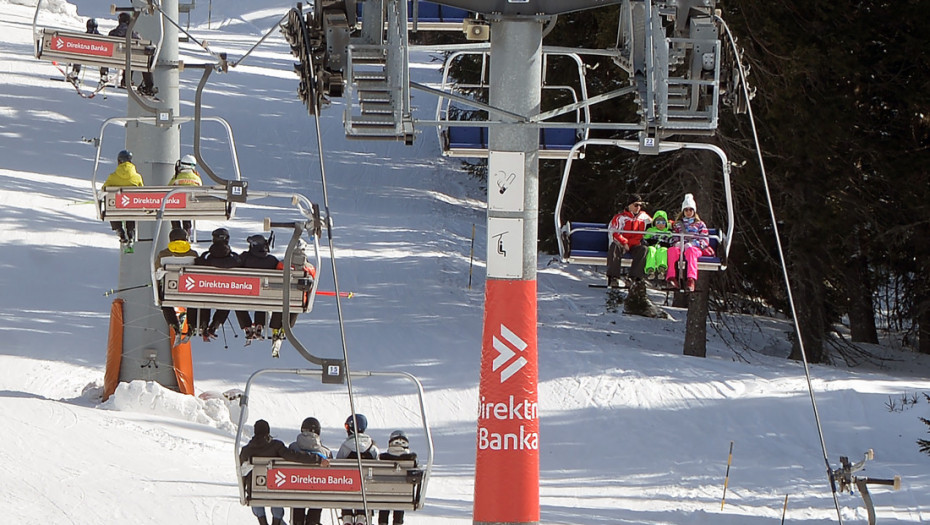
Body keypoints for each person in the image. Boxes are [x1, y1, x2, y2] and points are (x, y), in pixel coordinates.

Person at [240, 419, 330, 525]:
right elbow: (295, 457)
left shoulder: (246, 450)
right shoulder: (276, 446)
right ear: (268, 432)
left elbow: (241, 471)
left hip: (255, 492)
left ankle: (262, 521)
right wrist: (317, 459)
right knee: (275, 494)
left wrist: (245, 489)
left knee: (256, 494)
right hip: (275, 489)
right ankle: (276, 522)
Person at [155, 228, 202, 343]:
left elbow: (157, 272)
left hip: (169, 291)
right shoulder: (193, 254)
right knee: (193, 302)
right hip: (189, 290)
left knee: (165, 304)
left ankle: (174, 325)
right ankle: (191, 325)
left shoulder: (163, 254)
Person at [196, 228, 242, 341]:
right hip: (225, 290)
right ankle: (214, 325)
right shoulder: (233, 258)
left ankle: (203, 325)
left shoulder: (206, 257)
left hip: (206, 288)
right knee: (228, 300)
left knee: (203, 299)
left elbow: (197, 264)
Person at [233, 234, 279, 342]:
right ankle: (260, 324)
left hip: (245, 293)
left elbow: (234, 264)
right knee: (262, 294)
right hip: (264, 297)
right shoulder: (271, 260)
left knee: (236, 298)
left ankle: (246, 325)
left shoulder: (244, 258)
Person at [288, 417, 332, 525]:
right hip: (317, 489)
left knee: (297, 497)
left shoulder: (292, 447)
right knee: (318, 495)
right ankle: (313, 521)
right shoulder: (325, 452)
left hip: (296, 486)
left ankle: (297, 521)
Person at [665, 193, 713, 292]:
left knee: (691, 251)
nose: (688, 212)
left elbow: (705, 239)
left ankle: (691, 279)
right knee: (672, 251)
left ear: (694, 211)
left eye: (690, 210)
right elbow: (673, 236)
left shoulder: (699, 224)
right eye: (686, 210)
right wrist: (677, 243)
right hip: (681, 247)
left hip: (694, 248)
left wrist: (694, 244)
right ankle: (671, 277)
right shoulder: (678, 224)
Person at [337, 414, 379, 525]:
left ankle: (347, 515)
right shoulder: (372, 447)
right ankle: (362, 515)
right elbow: (378, 466)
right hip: (366, 490)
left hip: (348, 488)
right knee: (365, 486)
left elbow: (338, 466)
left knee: (345, 484)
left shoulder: (345, 446)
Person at [605, 194, 652, 288]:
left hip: (635, 244)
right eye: (636, 205)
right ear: (629, 205)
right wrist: (624, 242)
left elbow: (657, 222)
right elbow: (614, 231)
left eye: (640, 205)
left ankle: (633, 278)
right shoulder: (620, 217)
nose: (638, 208)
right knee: (615, 247)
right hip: (623, 243)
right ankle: (613, 277)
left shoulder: (643, 217)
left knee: (644, 249)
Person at [108, 12, 156, 96]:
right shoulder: (133, 34)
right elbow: (140, 42)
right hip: (130, 60)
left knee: (129, 56)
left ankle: (126, 80)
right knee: (138, 57)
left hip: (114, 59)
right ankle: (148, 86)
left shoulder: (112, 33)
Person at [101, 149, 143, 245]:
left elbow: (104, 189)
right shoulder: (137, 177)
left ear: (119, 161)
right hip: (132, 208)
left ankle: (119, 230)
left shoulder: (113, 177)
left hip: (116, 208)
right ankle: (131, 232)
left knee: (112, 207)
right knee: (131, 208)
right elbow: (141, 191)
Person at [377, 430, 418, 525]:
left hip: (382, 494)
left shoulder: (383, 458)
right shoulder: (411, 459)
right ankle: (398, 521)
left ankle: (382, 521)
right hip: (404, 495)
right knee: (400, 496)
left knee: (385, 500)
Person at [168, 155, 203, 236]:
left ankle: (176, 229)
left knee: (173, 210)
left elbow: (168, 188)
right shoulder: (196, 178)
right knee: (187, 208)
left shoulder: (177, 177)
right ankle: (187, 229)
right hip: (191, 206)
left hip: (177, 205)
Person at [642, 209, 672, 281]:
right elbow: (645, 238)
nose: (661, 224)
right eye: (658, 222)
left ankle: (662, 268)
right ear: (654, 223)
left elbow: (671, 241)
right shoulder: (651, 231)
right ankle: (650, 269)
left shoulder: (668, 232)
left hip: (662, 247)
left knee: (663, 250)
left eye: (663, 222)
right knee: (651, 250)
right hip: (653, 246)